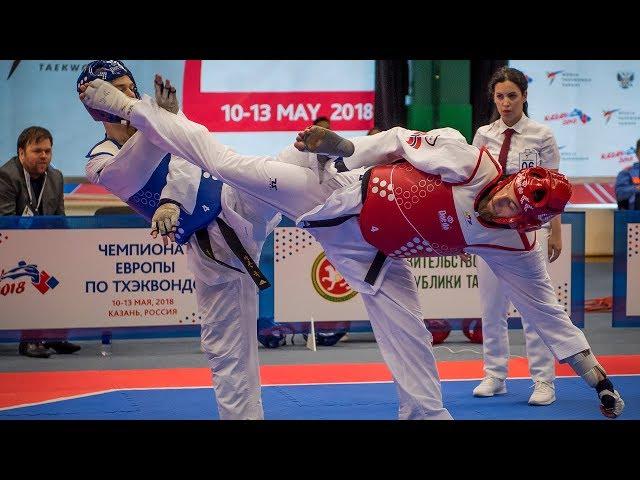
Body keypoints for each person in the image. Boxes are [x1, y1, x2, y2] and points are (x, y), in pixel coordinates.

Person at [79, 78, 626, 418]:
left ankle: (426, 414)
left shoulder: (513, 245)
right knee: (224, 164)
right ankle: (137, 111)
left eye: (516, 213)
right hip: (334, 190)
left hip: (374, 257)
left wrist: (598, 381)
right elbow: (392, 141)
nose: (504, 210)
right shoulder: (467, 158)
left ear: (528, 220)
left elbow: (549, 316)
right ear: (509, 180)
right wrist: (337, 145)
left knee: (408, 329)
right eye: (508, 199)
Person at [77, 60, 281, 420]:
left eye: (130, 88)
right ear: (96, 104)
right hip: (209, 247)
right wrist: (163, 121)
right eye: (118, 90)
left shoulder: (162, 120)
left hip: (235, 200)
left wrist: (166, 122)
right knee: (227, 352)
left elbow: (188, 152)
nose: (129, 95)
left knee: (299, 171)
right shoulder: (99, 161)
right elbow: (135, 170)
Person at [471, 66, 563, 405]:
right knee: (491, 307)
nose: (505, 103)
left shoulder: (542, 134)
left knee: (533, 308)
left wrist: (554, 232)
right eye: (499, 96)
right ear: (493, 99)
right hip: (490, 232)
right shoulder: (483, 135)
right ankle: (495, 374)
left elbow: (555, 188)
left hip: (529, 232)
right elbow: (473, 187)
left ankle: (544, 381)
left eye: (512, 96)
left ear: (524, 96)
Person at [0, 126, 81, 358]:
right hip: (10, 247)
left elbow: (60, 219)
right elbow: (6, 223)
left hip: (43, 247)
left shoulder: (55, 177)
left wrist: (67, 249)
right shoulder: (6, 176)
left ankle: (55, 336)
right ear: (21, 153)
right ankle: (30, 341)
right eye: (37, 151)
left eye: (48, 151)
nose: (44, 156)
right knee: (36, 275)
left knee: (66, 272)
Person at [615, 139, 640, 210]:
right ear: (637, 154)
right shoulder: (627, 172)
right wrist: (637, 188)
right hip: (635, 215)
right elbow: (620, 194)